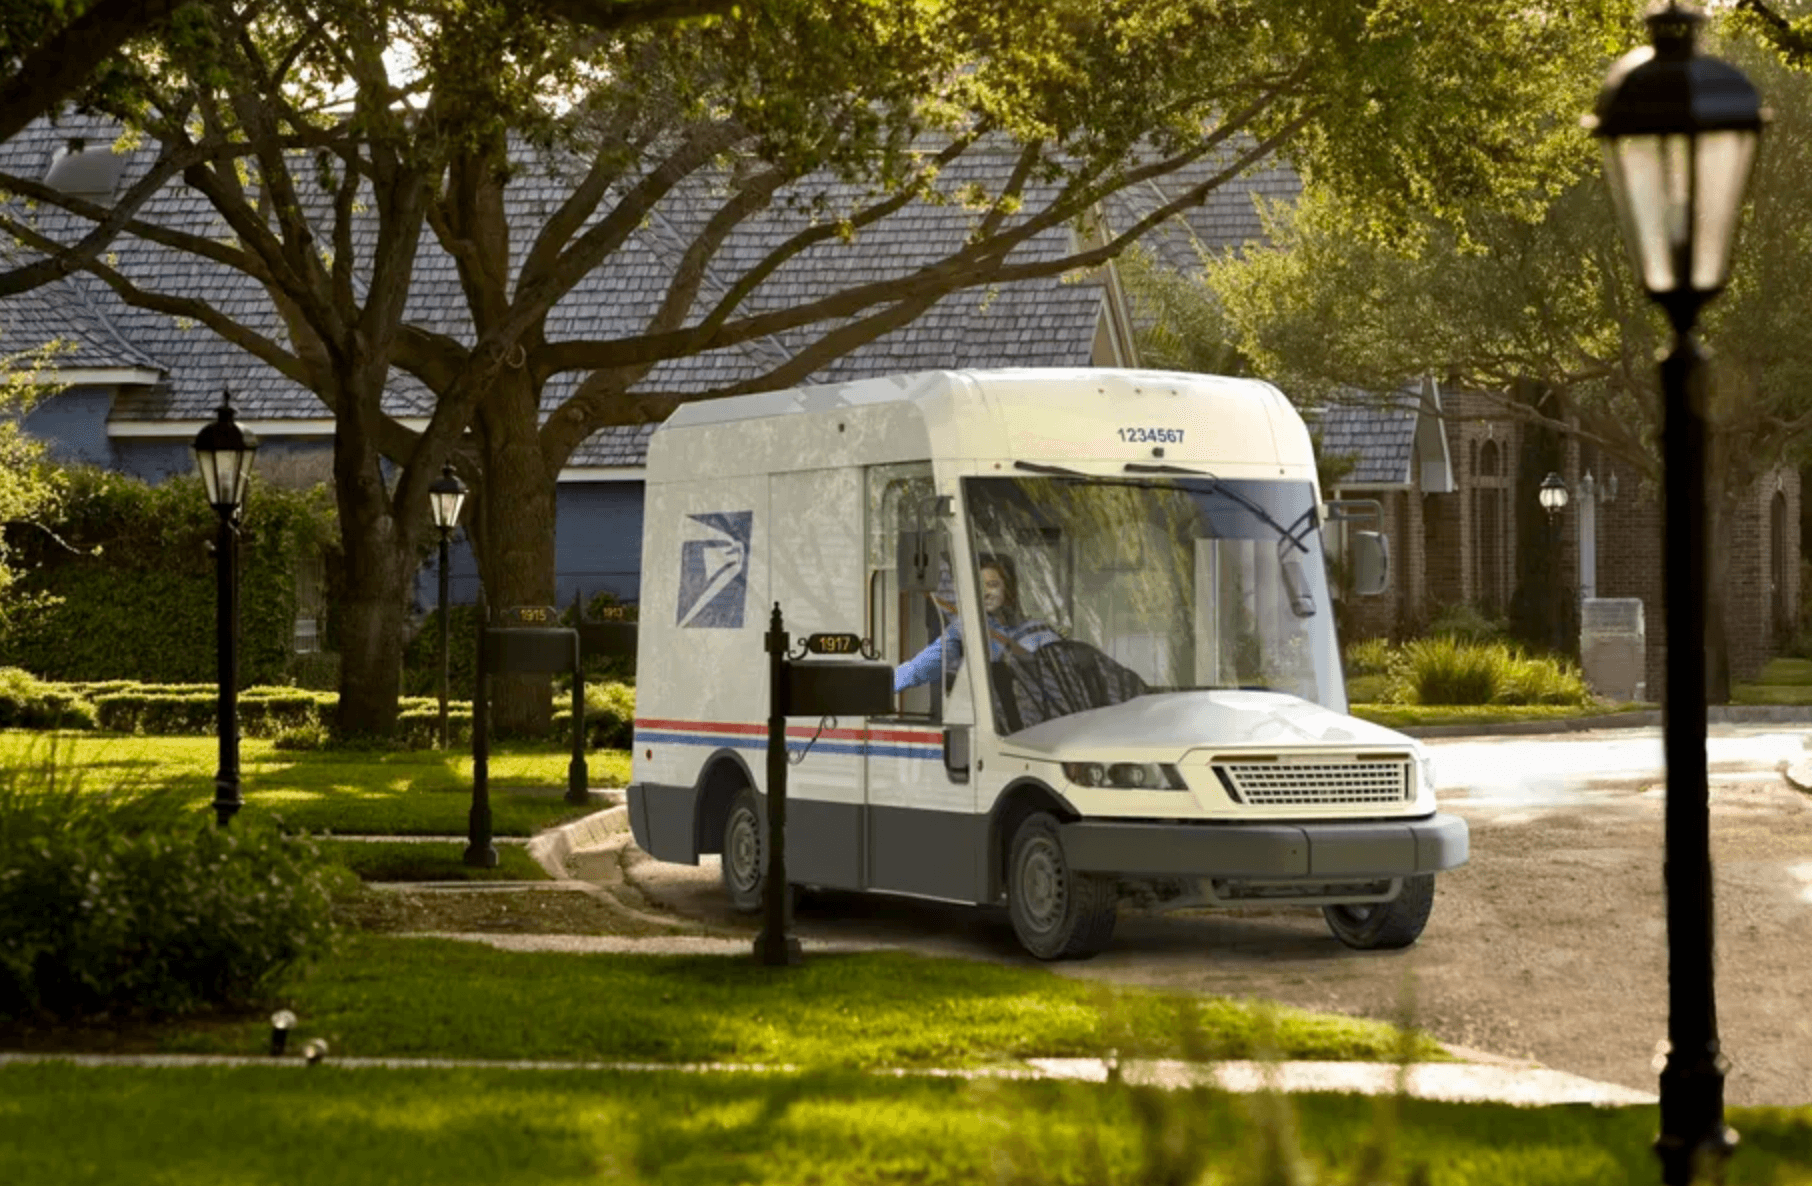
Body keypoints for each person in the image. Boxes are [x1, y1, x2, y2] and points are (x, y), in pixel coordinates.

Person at [894, 555, 1061, 692]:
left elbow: (1061, 682)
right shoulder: (965, 629)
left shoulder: (1040, 633)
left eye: (992, 585)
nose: (986, 593)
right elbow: (922, 667)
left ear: (1008, 590)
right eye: (979, 587)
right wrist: (882, 684)